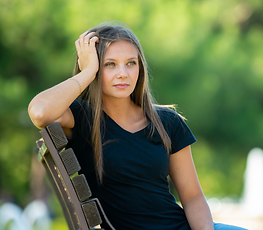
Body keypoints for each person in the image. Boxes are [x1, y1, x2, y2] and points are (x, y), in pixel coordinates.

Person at [28, 22, 246, 230]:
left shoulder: (168, 122)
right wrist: (87, 73)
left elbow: (193, 197)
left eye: (131, 63)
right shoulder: (82, 117)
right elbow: (39, 112)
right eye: (109, 64)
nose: (123, 73)